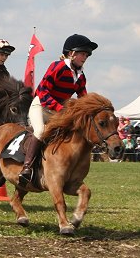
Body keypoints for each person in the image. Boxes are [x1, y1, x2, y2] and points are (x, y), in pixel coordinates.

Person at [19, 34, 98, 186]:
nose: (85, 56)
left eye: (87, 54)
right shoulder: (58, 67)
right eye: (83, 53)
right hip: (41, 106)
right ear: (71, 53)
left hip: (57, 110)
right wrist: (60, 109)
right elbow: (43, 92)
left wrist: (90, 112)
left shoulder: (81, 76)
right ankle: (27, 168)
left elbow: (83, 98)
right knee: (41, 131)